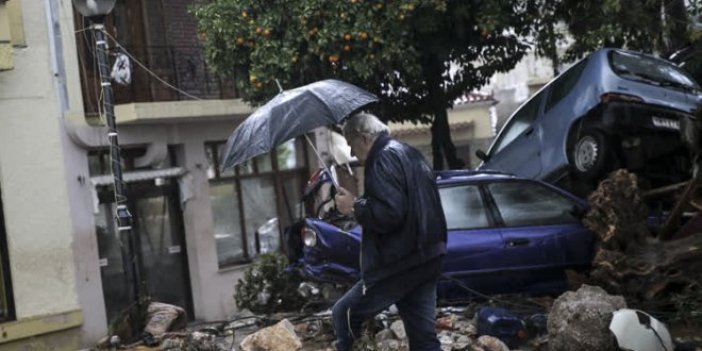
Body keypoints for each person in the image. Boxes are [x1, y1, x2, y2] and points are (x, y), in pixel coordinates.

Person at [332, 112, 447, 351]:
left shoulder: (382, 158)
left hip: (400, 264)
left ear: (364, 138)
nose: (352, 153)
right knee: (423, 337)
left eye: (351, 145)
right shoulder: (409, 152)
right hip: (427, 257)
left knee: (344, 313)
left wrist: (354, 206)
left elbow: (390, 214)